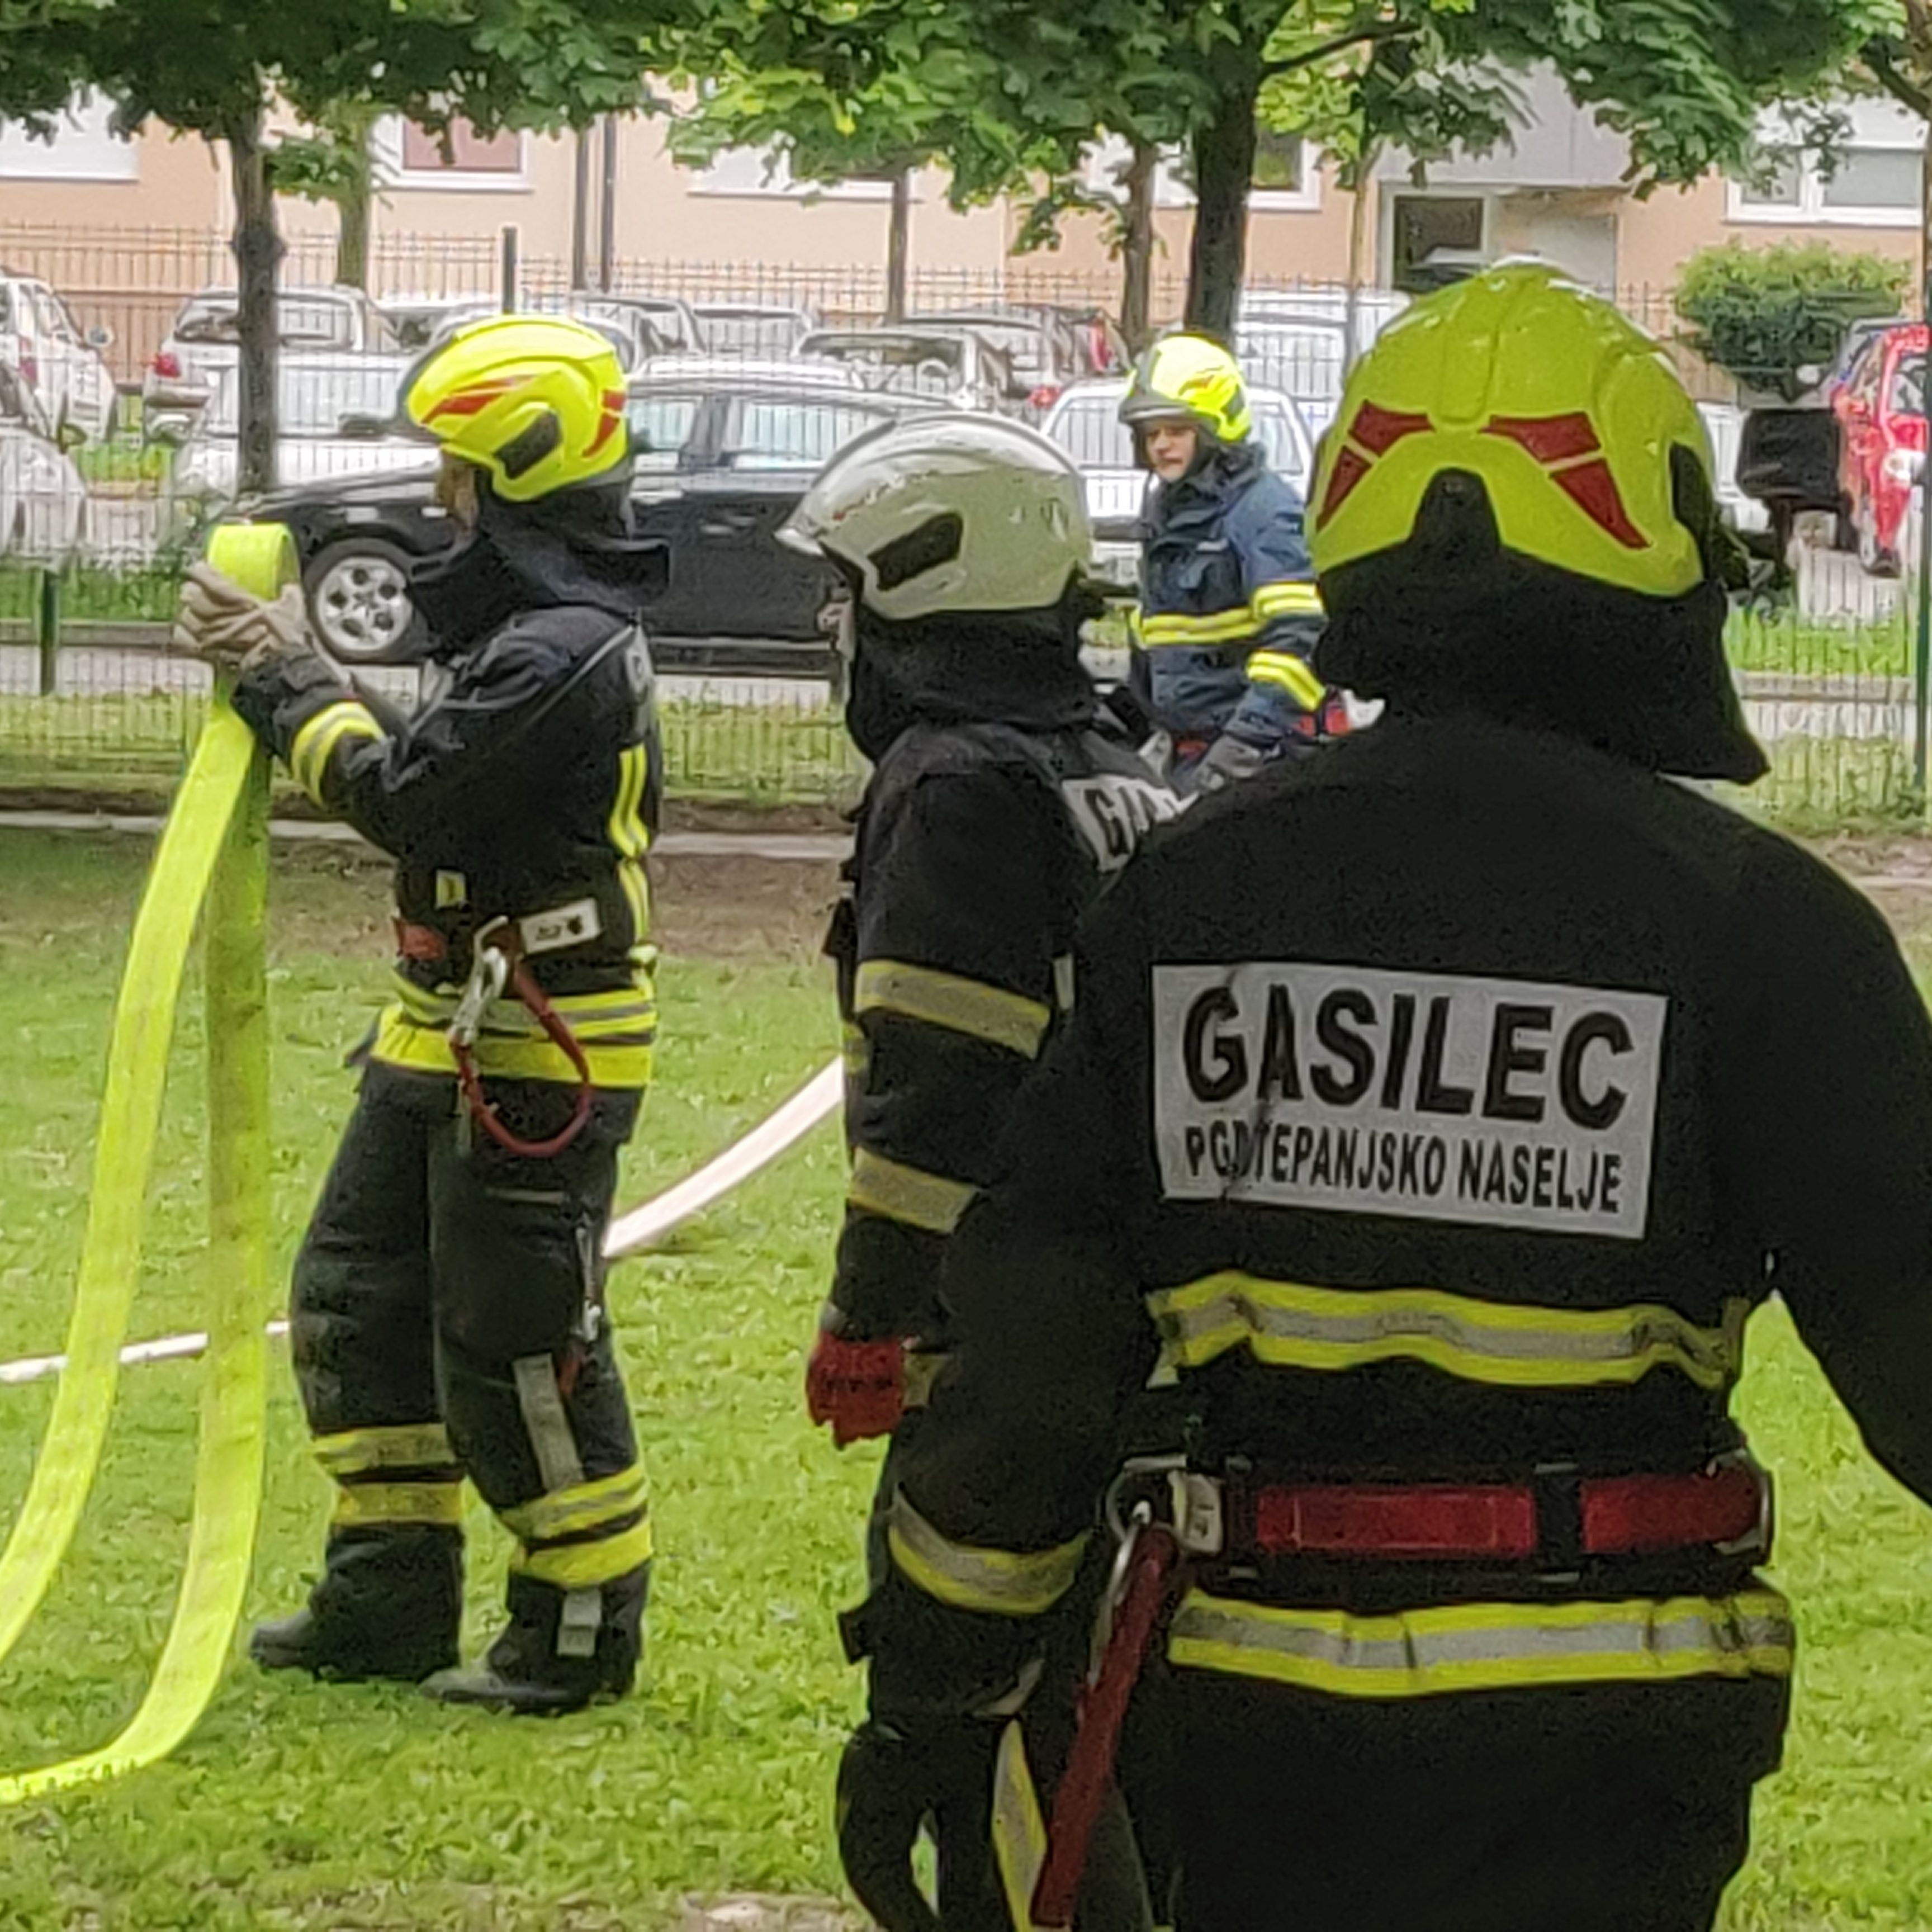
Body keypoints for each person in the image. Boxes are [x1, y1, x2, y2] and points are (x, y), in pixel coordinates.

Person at [836, 262, 1932, 1930]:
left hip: (1253, 1722)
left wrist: (934, 1687)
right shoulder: (1757, 926)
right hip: (1613, 1745)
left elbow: (1032, 1349)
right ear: (1655, 560)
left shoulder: (1185, 903)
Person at [173, 314, 664, 1715]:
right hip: (443, 1020)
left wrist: (283, 675)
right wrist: (297, 677)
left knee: (519, 1334)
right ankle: (389, 1593)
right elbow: (441, 766)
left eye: (457, 469)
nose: (440, 497)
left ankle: (579, 1624)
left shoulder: (562, 650)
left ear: (511, 476)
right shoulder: (532, 635)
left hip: (539, 1040)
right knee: (360, 1299)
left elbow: (412, 797)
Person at [780, 413, 1178, 1926]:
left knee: (971, 1696)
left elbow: (938, 1095)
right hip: (1139, 1310)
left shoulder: (954, 781)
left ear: (919, 584)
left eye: (846, 595)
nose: (833, 630)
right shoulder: (1109, 766)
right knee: (1083, 1687)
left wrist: (865, 1316)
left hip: (1011, 1318)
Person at [1120, 333, 1335, 792]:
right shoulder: (1166, 511)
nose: (1161, 446)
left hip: (1263, 758)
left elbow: (1300, 638)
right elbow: (1158, 634)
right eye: (1151, 434)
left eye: (1176, 430)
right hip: (1188, 755)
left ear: (1216, 428)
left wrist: (1241, 749)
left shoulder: (1262, 511)